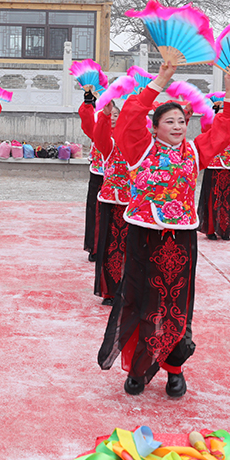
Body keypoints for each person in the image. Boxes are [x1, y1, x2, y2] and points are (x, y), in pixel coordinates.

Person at [98, 62, 230, 397]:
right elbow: (129, 117)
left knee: (177, 304)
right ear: (155, 127)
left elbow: (225, 129)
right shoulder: (140, 149)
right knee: (140, 301)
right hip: (143, 234)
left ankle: (175, 368)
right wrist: (161, 80)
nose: (178, 126)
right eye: (169, 121)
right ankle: (138, 368)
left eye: (181, 121)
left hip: (182, 237)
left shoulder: (195, 151)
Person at [93, 100, 129, 306]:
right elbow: (99, 136)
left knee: (132, 249)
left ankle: (130, 291)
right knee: (111, 247)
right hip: (112, 200)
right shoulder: (110, 144)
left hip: (135, 205)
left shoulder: (142, 145)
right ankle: (110, 291)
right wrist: (104, 116)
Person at [197, 102, 230, 241]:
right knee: (212, 199)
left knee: (227, 200)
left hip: (229, 167)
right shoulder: (212, 127)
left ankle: (225, 229)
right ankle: (210, 229)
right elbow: (205, 127)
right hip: (213, 166)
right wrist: (213, 110)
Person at [79, 88, 106, 263]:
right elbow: (87, 120)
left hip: (121, 180)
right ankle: (95, 247)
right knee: (95, 212)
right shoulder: (96, 128)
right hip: (99, 173)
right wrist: (88, 100)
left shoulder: (123, 131)